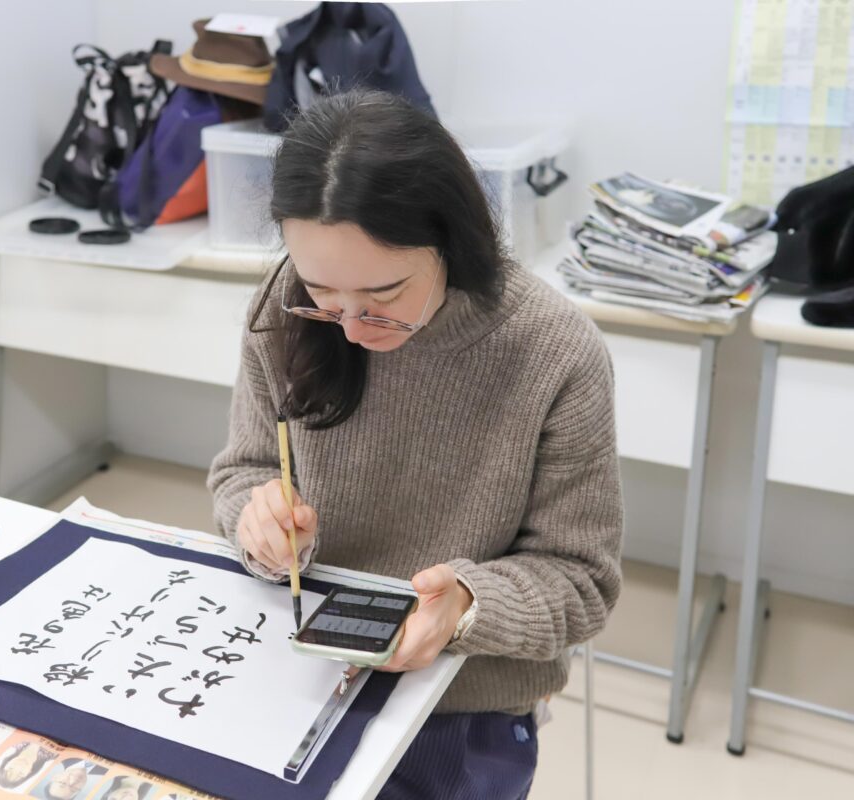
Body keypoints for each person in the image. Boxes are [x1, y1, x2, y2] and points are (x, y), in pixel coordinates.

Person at [207, 89, 623, 799]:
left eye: (385, 296)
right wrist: (258, 519)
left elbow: (582, 579)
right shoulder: (284, 307)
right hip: (298, 667)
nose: (350, 326)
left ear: (450, 242)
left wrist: (466, 603)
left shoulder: (552, 350)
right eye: (323, 292)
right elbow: (243, 469)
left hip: (461, 700)